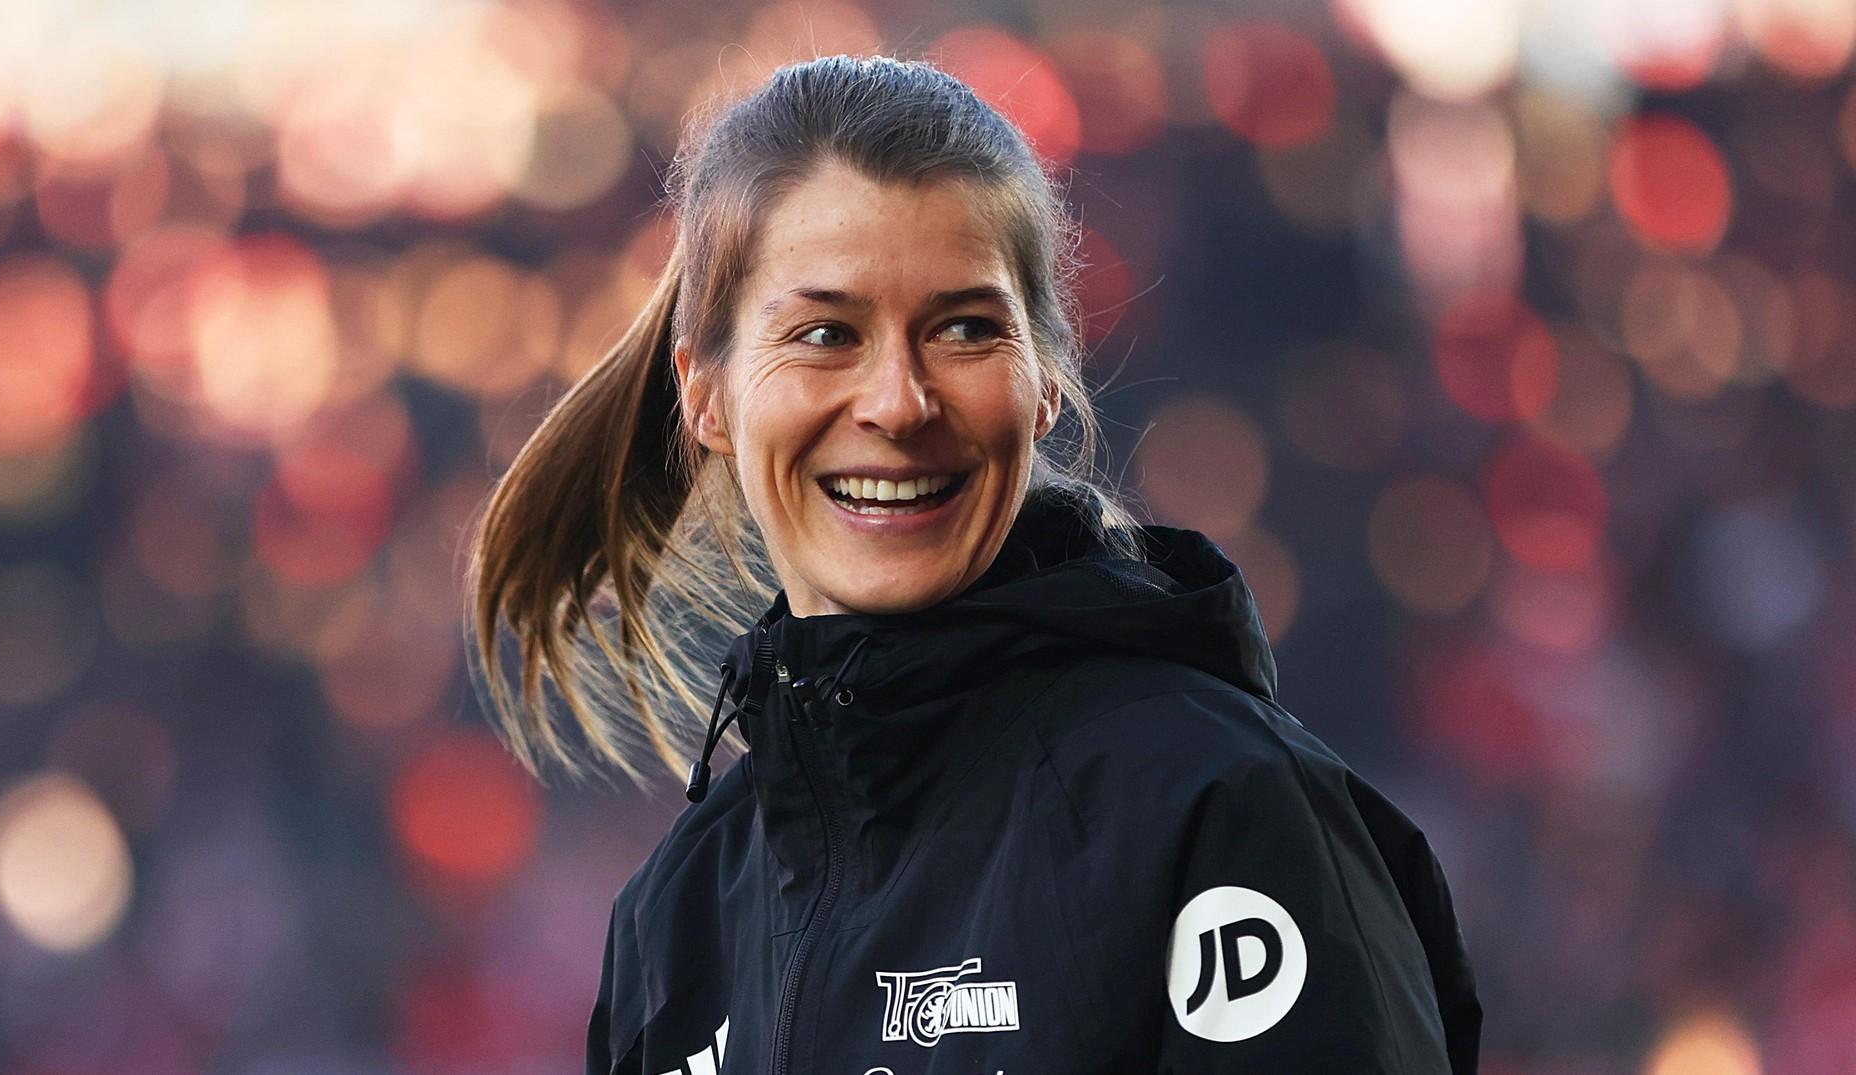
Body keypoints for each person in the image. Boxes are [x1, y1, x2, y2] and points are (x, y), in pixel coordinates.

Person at [468, 53, 1483, 1074]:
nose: (899, 402)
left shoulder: (1221, 810)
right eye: (826, 333)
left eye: (963, 328)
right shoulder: (675, 921)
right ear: (706, 394)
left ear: (1044, 381)